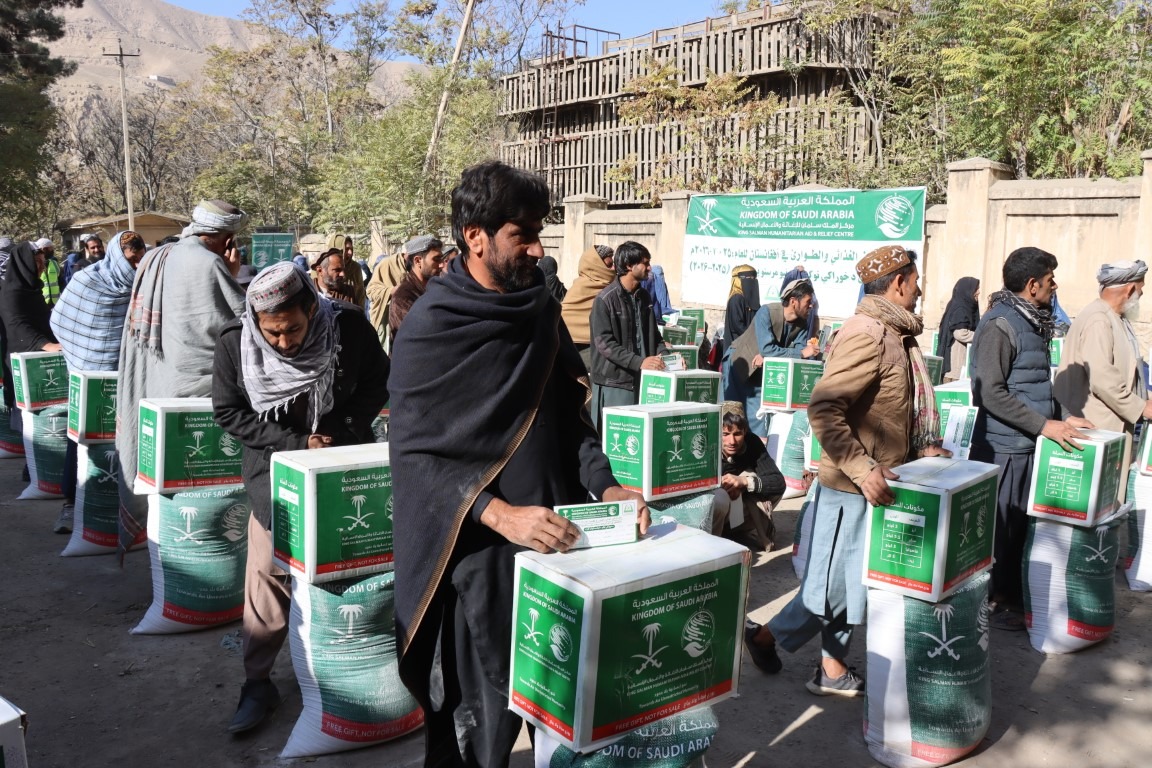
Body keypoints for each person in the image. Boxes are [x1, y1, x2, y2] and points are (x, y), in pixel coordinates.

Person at [389, 160, 650, 768]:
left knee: (569, 711)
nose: (537, 248)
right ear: (474, 236)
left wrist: (606, 485)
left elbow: (568, 423)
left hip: (561, 546)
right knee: (484, 733)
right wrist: (500, 514)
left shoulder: (539, 311)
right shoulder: (432, 326)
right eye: (522, 234)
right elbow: (415, 456)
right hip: (479, 560)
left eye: (539, 232)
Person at [745, 246, 947, 695]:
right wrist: (862, 467)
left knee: (845, 585)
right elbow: (824, 409)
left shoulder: (896, 334)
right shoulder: (867, 334)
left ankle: (821, 664)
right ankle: (776, 643)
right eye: (916, 281)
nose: (920, 290)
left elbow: (890, 408)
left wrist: (922, 447)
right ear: (899, 282)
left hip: (878, 482)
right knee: (835, 587)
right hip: (853, 485)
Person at [212, 262, 389, 734]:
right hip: (273, 468)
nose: (284, 342)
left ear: (312, 309)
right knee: (269, 571)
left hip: (343, 461)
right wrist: (294, 444)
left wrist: (339, 429)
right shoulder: (236, 342)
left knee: (352, 566)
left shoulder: (348, 328)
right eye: (273, 333)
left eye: (292, 329)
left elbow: (378, 381)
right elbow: (229, 411)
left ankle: (353, 672)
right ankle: (257, 683)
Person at [114, 200, 249, 556]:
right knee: (203, 484)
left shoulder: (158, 256)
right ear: (227, 239)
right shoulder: (209, 263)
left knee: (167, 483)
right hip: (200, 395)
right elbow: (241, 322)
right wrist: (232, 274)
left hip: (160, 386)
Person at [969, 246, 1093, 631]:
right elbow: (990, 393)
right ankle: (993, 603)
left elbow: (1035, 383)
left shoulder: (1033, 321)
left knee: (1021, 529)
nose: (1055, 286)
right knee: (1001, 531)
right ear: (1032, 284)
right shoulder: (999, 324)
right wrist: (1045, 426)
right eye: (1050, 280)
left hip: (1028, 444)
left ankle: (1012, 598)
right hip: (1003, 448)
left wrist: (1065, 416)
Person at [50, 231, 146, 534]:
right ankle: (70, 505)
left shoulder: (142, 288)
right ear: (117, 256)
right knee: (81, 440)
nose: (136, 265)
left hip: (125, 377)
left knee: (123, 441)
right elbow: (60, 321)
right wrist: (82, 356)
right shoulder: (86, 280)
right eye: (131, 259)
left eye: (140, 259)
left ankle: (119, 512)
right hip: (88, 376)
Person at [1054, 260, 1151, 493]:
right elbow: (1102, 378)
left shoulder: (1115, 318)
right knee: (1096, 495)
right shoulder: (1098, 319)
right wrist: (1141, 407)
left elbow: (1126, 372)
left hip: (1109, 423)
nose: (1142, 293)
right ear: (1130, 289)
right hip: (1096, 425)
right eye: (1141, 288)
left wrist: (1145, 397)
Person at [589, 241, 667, 430]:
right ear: (629, 266)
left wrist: (667, 357)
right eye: (645, 263)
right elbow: (605, 344)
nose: (649, 268)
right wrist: (639, 362)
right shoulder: (605, 300)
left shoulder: (644, 297)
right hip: (615, 384)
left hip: (643, 381)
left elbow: (654, 335)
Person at [742, 278, 819, 437]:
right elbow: (769, 349)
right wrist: (799, 353)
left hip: (766, 372)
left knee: (760, 426)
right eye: (808, 301)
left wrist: (769, 356)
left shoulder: (802, 324)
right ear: (793, 301)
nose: (811, 305)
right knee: (735, 420)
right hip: (742, 367)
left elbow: (795, 355)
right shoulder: (766, 312)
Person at [712, 401, 786, 551]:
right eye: (725, 434)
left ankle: (736, 532)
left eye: (737, 434)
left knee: (765, 486)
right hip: (714, 508)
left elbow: (778, 482)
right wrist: (724, 485)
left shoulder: (752, 443)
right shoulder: (708, 446)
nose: (732, 441)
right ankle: (712, 542)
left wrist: (745, 482)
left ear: (745, 432)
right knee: (719, 499)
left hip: (738, 504)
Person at [560, 245, 615, 370]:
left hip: (604, 353)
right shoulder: (579, 288)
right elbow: (565, 318)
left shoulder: (613, 289)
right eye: (609, 265)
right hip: (578, 353)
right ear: (596, 266)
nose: (613, 269)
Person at [388, 235, 444, 340]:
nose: (441, 265)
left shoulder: (436, 288)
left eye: (441, 259)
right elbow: (415, 338)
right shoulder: (403, 298)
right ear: (418, 261)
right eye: (436, 259)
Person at [721, 264, 760, 399]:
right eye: (749, 278)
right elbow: (738, 326)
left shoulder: (751, 300)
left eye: (754, 278)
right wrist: (754, 338)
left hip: (749, 350)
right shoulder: (736, 299)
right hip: (736, 351)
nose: (752, 281)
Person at [936, 276, 980, 381]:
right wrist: (982, 335)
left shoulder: (964, 306)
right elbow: (960, 334)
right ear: (968, 290)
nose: (978, 292)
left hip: (959, 366)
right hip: (955, 368)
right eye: (976, 289)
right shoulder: (960, 308)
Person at [32, 238, 61, 307]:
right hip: (42, 302)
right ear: (44, 249)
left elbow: (60, 280)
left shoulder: (54, 263)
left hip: (56, 303)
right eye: (50, 248)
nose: (52, 250)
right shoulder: (34, 265)